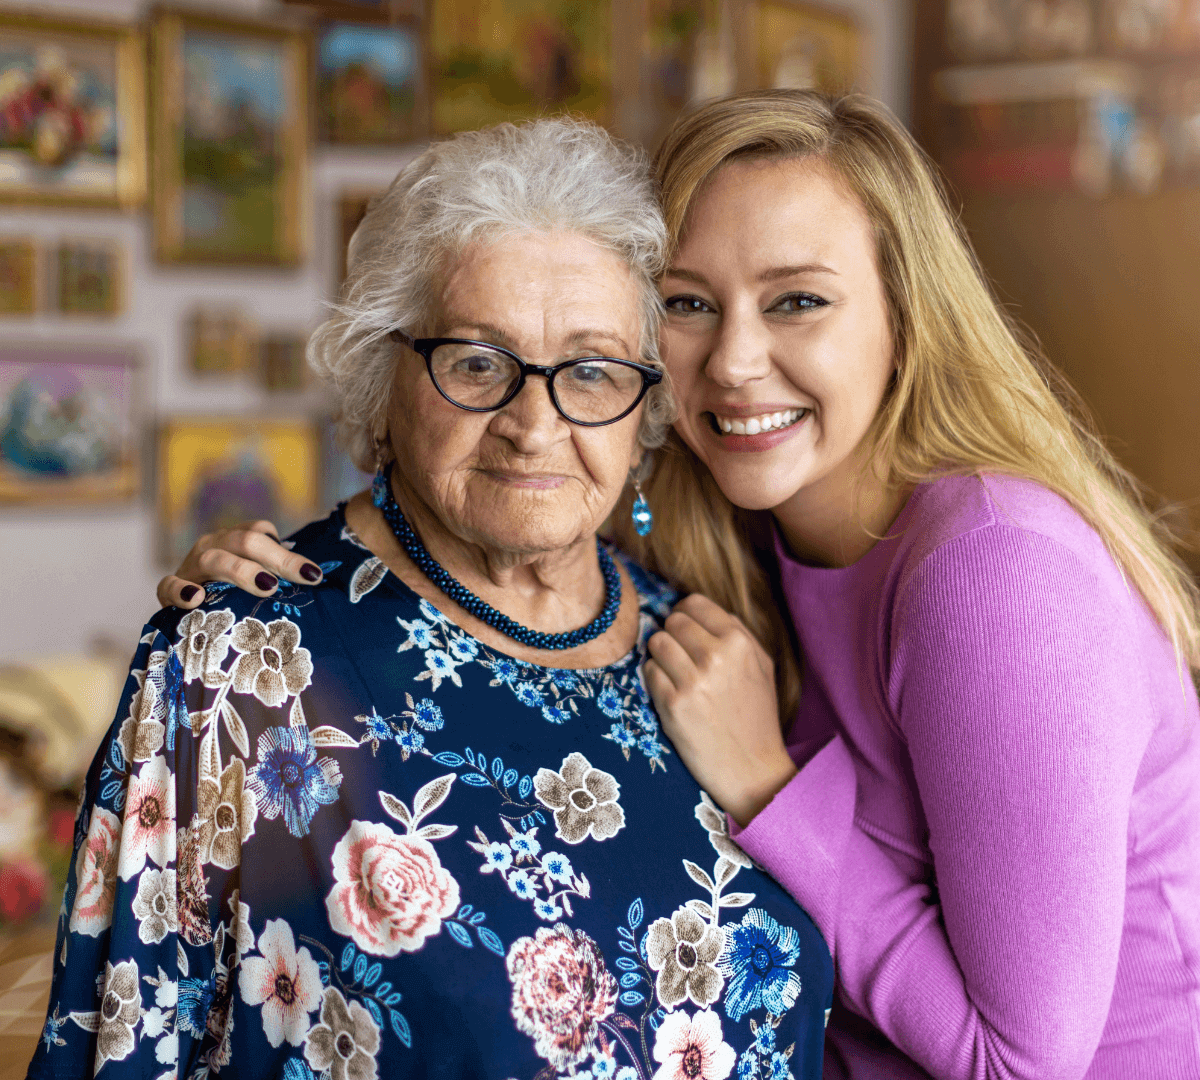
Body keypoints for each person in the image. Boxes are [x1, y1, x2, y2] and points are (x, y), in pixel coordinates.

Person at [168, 92, 1200, 1080]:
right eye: (689, 305)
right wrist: (266, 588)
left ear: (906, 318)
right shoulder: (732, 534)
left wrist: (767, 784)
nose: (737, 361)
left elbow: (1020, 1060)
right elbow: (499, 485)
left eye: (799, 300)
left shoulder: (991, 570)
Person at [27, 118, 834, 1080]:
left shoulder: (707, 647)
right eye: (478, 363)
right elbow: (124, 1049)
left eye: (590, 370)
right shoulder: (236, 665)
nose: (535, 426)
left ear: (644, 404)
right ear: (384, 379)